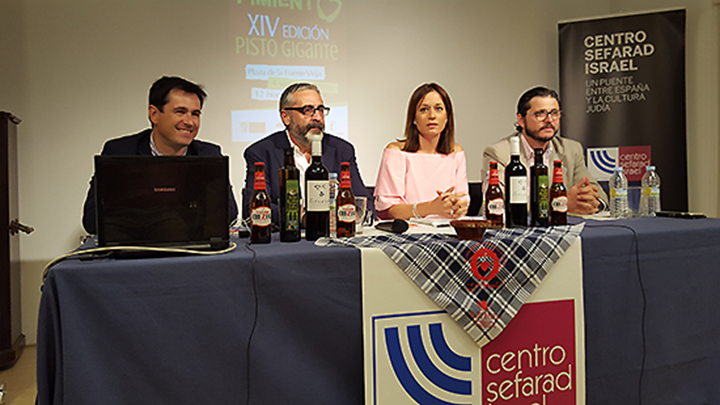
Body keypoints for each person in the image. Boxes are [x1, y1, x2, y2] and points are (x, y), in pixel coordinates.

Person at [81, 76, 239, 234]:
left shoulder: (209, 155)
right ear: (154, 114)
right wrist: (167, 218)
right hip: (134, 250)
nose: (190, 122)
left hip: (189, 248)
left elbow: (228, 214)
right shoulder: (119, 151)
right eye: (180, 112)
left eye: (195, 114)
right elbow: (93, 219)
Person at [242, 82, 372, 225]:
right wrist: (303, 218)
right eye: (308, 110)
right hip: (287, 240)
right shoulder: (261, 153)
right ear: (286, 117)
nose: (317, 117)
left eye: (320, 110)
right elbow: (254, 208)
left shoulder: (342, 150)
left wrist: (350, 215)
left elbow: (363, 202)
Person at [482, 86, 608, 215]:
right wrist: (561, 204)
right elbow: (498, 207)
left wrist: (591, 202)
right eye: (540, 114)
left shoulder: (571, 150)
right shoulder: (499, 153)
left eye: (554, 113)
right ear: (521, 120)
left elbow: (599, 196)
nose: (549, 120)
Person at [374, 83, 469, 220]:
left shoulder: (456, 152)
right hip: (408, 234)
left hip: (447, 231)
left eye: (438, 108)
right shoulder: (396, 152)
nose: (432, 116)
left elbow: (462, 203)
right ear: (413, 118)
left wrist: (457, 207)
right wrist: (433, 207)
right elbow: (390, 211)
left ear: (447, 117)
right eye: (424, 109)